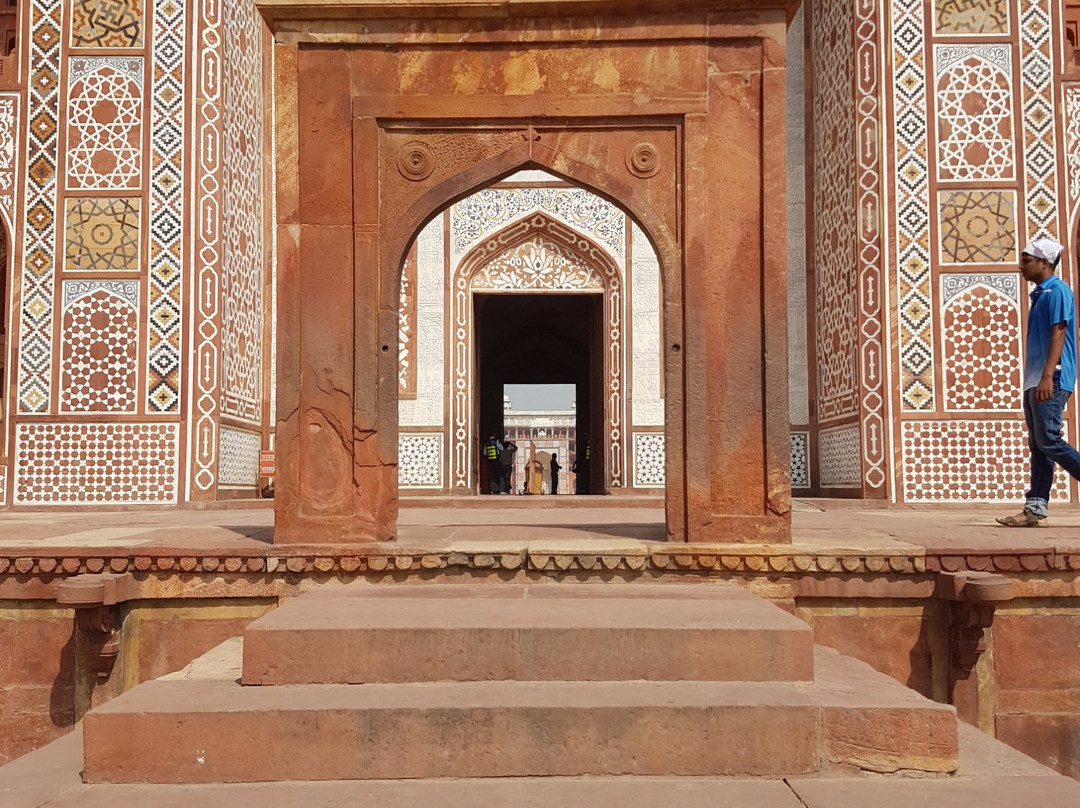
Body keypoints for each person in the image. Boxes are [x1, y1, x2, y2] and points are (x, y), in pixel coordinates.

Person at [997, 239, 1080, 527]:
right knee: (1040, 445)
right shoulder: (1041, 295)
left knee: (1049, 440)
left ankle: (1036, 505)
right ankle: (1035, 508)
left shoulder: (1057, 291)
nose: (1021, 266)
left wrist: (1048, 375)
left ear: (1044, 263)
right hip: (1038, 378)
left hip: (1052, 377)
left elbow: (1059, 332)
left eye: (1027, 260)